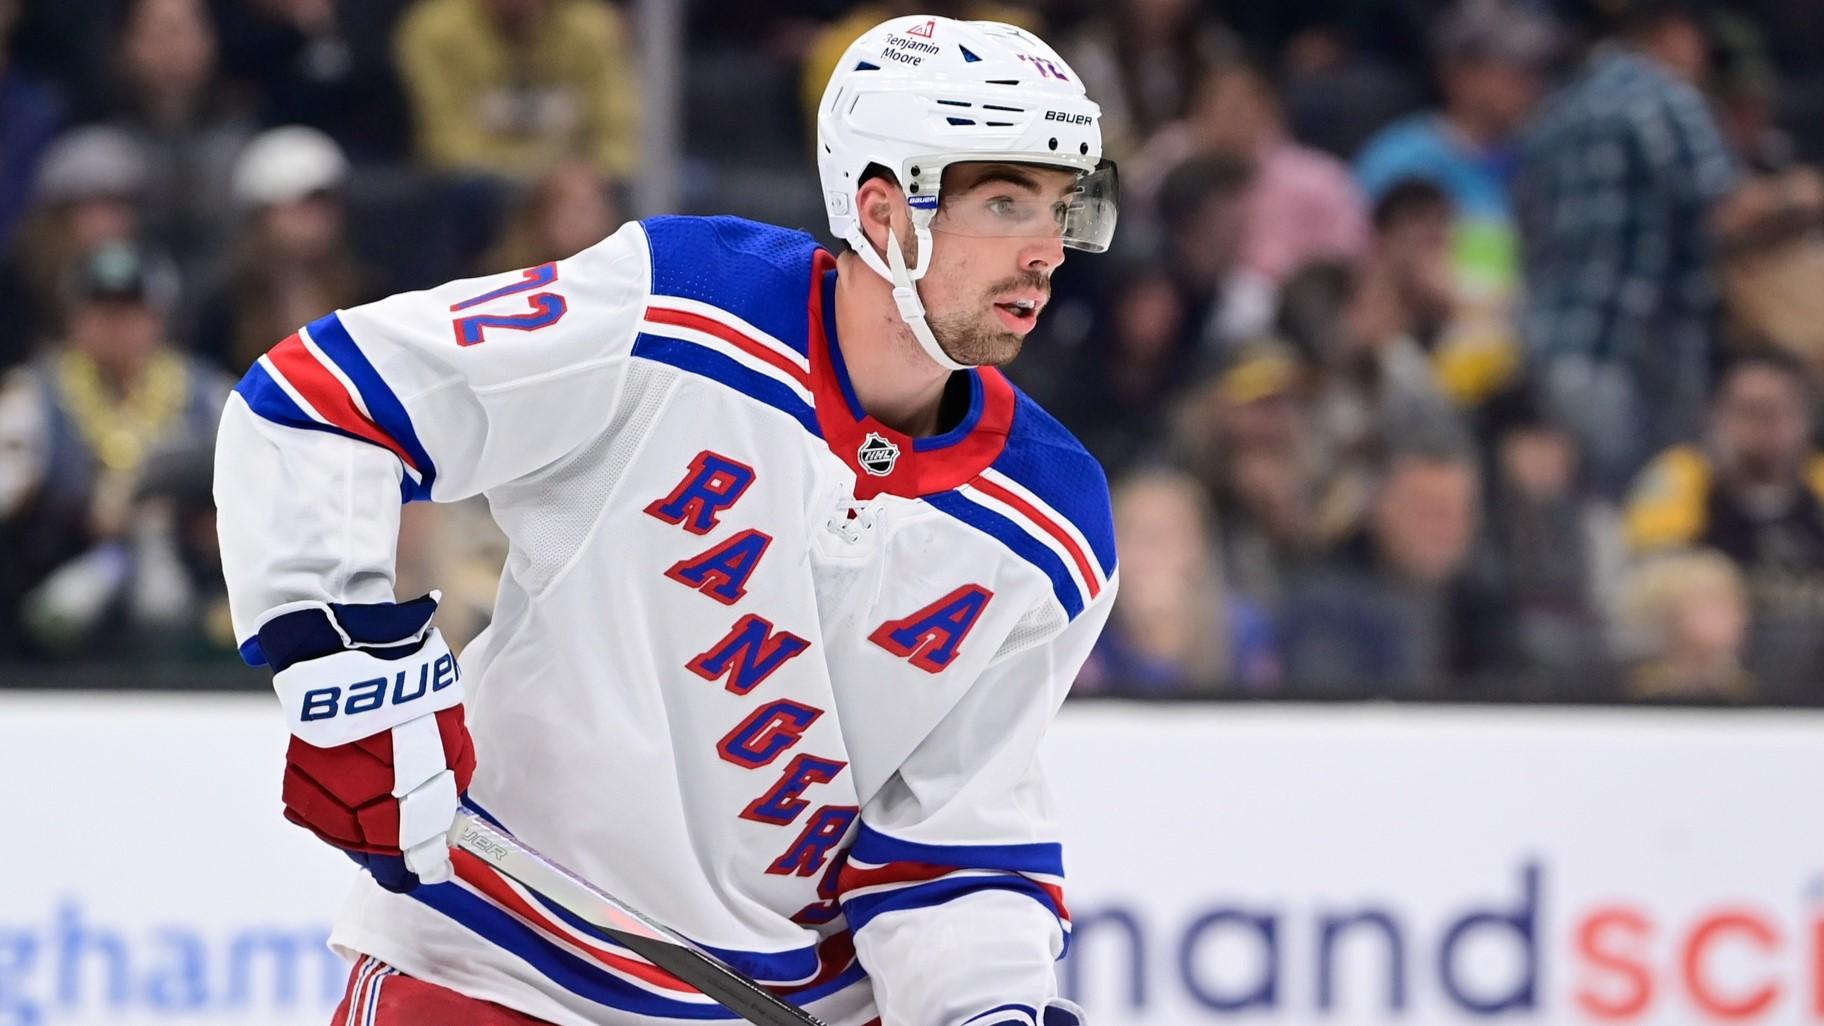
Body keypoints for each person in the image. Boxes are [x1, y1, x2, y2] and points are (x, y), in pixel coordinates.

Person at [214, 16, 1117, 1026]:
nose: (1049, 251)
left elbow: (953, 845)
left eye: (1062, 207)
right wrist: (342, 669)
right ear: (883, 211)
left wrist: (986, 1011)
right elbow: (320, 400)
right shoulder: (678, 312)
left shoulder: (1054, 525)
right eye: (1005, 204)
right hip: (489, 970)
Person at [1515, 0, 1739, 495]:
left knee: (1588, 523)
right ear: (1676, 31)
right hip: (1634, 358)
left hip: (1547, 353)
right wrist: (1800, 198)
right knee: (1645, 523)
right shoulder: (1662, 93)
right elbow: (1725, 212)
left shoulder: (1557, 109)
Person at [0, 242, 231, 658]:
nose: (117, 326)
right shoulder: (32, 397)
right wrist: (64, 505)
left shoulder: (210, 395)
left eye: (131, 311)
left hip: (193, 599)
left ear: (159, 318)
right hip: (60, 618)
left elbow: (264, 488)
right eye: (101, 311)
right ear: (74, 318)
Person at [1623, 349, 1824, 697]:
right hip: (1712, 681)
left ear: (1804, 419)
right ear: (1715, 416)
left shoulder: (1819, 482)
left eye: (1778, 410)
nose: (1764, 425)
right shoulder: (1684, 476)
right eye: (1748, 410)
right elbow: (1653, 582)